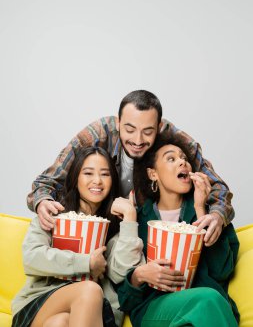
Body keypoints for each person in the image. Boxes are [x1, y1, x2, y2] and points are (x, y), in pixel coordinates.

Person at [27, 90, 234, 246]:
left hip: (142, 239)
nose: (137, 140)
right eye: (130, 129)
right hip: (92, 233)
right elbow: (46, 182)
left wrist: (217, 216)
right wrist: (42, 201)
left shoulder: (176, 140)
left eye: (147, 132)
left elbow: (218, 187)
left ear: (159, 126)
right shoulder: (98, 133)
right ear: (118, 123)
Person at [116, 136, 239, 327]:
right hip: (156, 309)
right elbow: (125, 299)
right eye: (171, 158)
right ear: (153, 174)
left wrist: (200, 209)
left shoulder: (207, 214)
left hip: (207, 309)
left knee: (208, 302)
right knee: (207, 300)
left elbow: (222, 271)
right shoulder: (137, 221)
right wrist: (139, 275)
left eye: (184, 158)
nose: (183, 161)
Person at [12, 146, 141, 327]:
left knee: (59, 323)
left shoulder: (116, 227)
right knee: (90, 290)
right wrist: (87, 263)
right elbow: (32, 257)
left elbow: (123, 273)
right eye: (88, 173)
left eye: (105, 174)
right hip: (40, 304)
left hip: (92, 314)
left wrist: (129, 218)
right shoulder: (52, 214)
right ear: (76, 178)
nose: (97, 181)